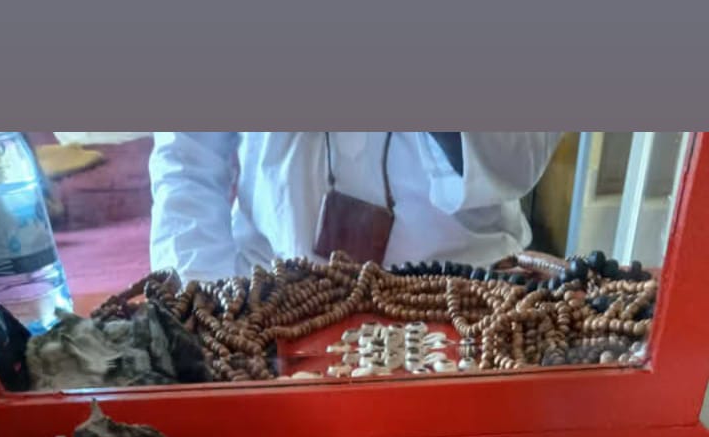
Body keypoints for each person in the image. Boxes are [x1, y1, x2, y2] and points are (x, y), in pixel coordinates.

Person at [149, 132, 563, 282]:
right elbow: (186, 161)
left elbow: (516, 159)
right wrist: (203, 307)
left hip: (467, 303)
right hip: (269, 296)